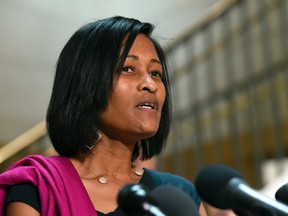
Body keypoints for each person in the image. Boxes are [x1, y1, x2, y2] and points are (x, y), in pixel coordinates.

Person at [0, 16, 219, 216]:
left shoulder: (178, 196)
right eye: (128, 69)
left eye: (155, 73)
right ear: (86, 83)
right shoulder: (38, 187)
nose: (150, 85)